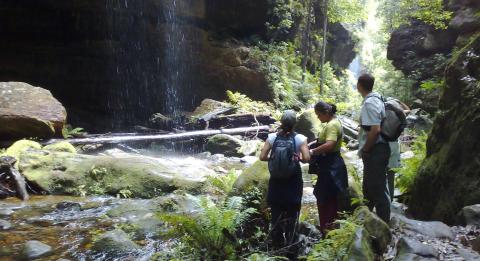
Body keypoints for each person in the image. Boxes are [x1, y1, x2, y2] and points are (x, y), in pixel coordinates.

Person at [259, 110, 310, 256]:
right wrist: (296, 158)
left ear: (281, 122)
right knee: (293, 213)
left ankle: (276, 248)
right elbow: (306, 158)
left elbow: (262, 157)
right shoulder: (300, 138)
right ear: (295, 123)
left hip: (276, 181)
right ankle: (291, 249)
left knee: (276, 213)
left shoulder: (272, 137)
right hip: (293, 181)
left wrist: (274, 159)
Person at [309, 101, 348, 236]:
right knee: (328, 196)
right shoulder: (334, 123)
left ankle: (327, 229)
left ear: (326, 113)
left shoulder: (331, 125)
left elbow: (330, 144)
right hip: (332, 165)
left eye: (319, 115)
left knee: (325, 197)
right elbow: (325, 141)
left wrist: (313, 152)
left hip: (330, 166)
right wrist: (312, 144)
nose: (318, 118)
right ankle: (329, 228)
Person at [356, 73, 391, 223]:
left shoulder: (370, 103)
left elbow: (375, 130)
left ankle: (383, 223)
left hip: (376, 150)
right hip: (379, 149)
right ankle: (368, 219)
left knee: (377, 187)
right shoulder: (377, 99)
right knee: (370, 186)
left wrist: (365, 149)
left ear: (359, 85)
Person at [386, 98, 410, 201]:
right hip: (395, 145)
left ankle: (382, 199)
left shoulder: (383, 113)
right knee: (391, 174)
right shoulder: (400, 114)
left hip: (383, 144)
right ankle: (390, 198)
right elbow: (409, 110)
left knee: (381, 174)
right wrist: (400, 102)